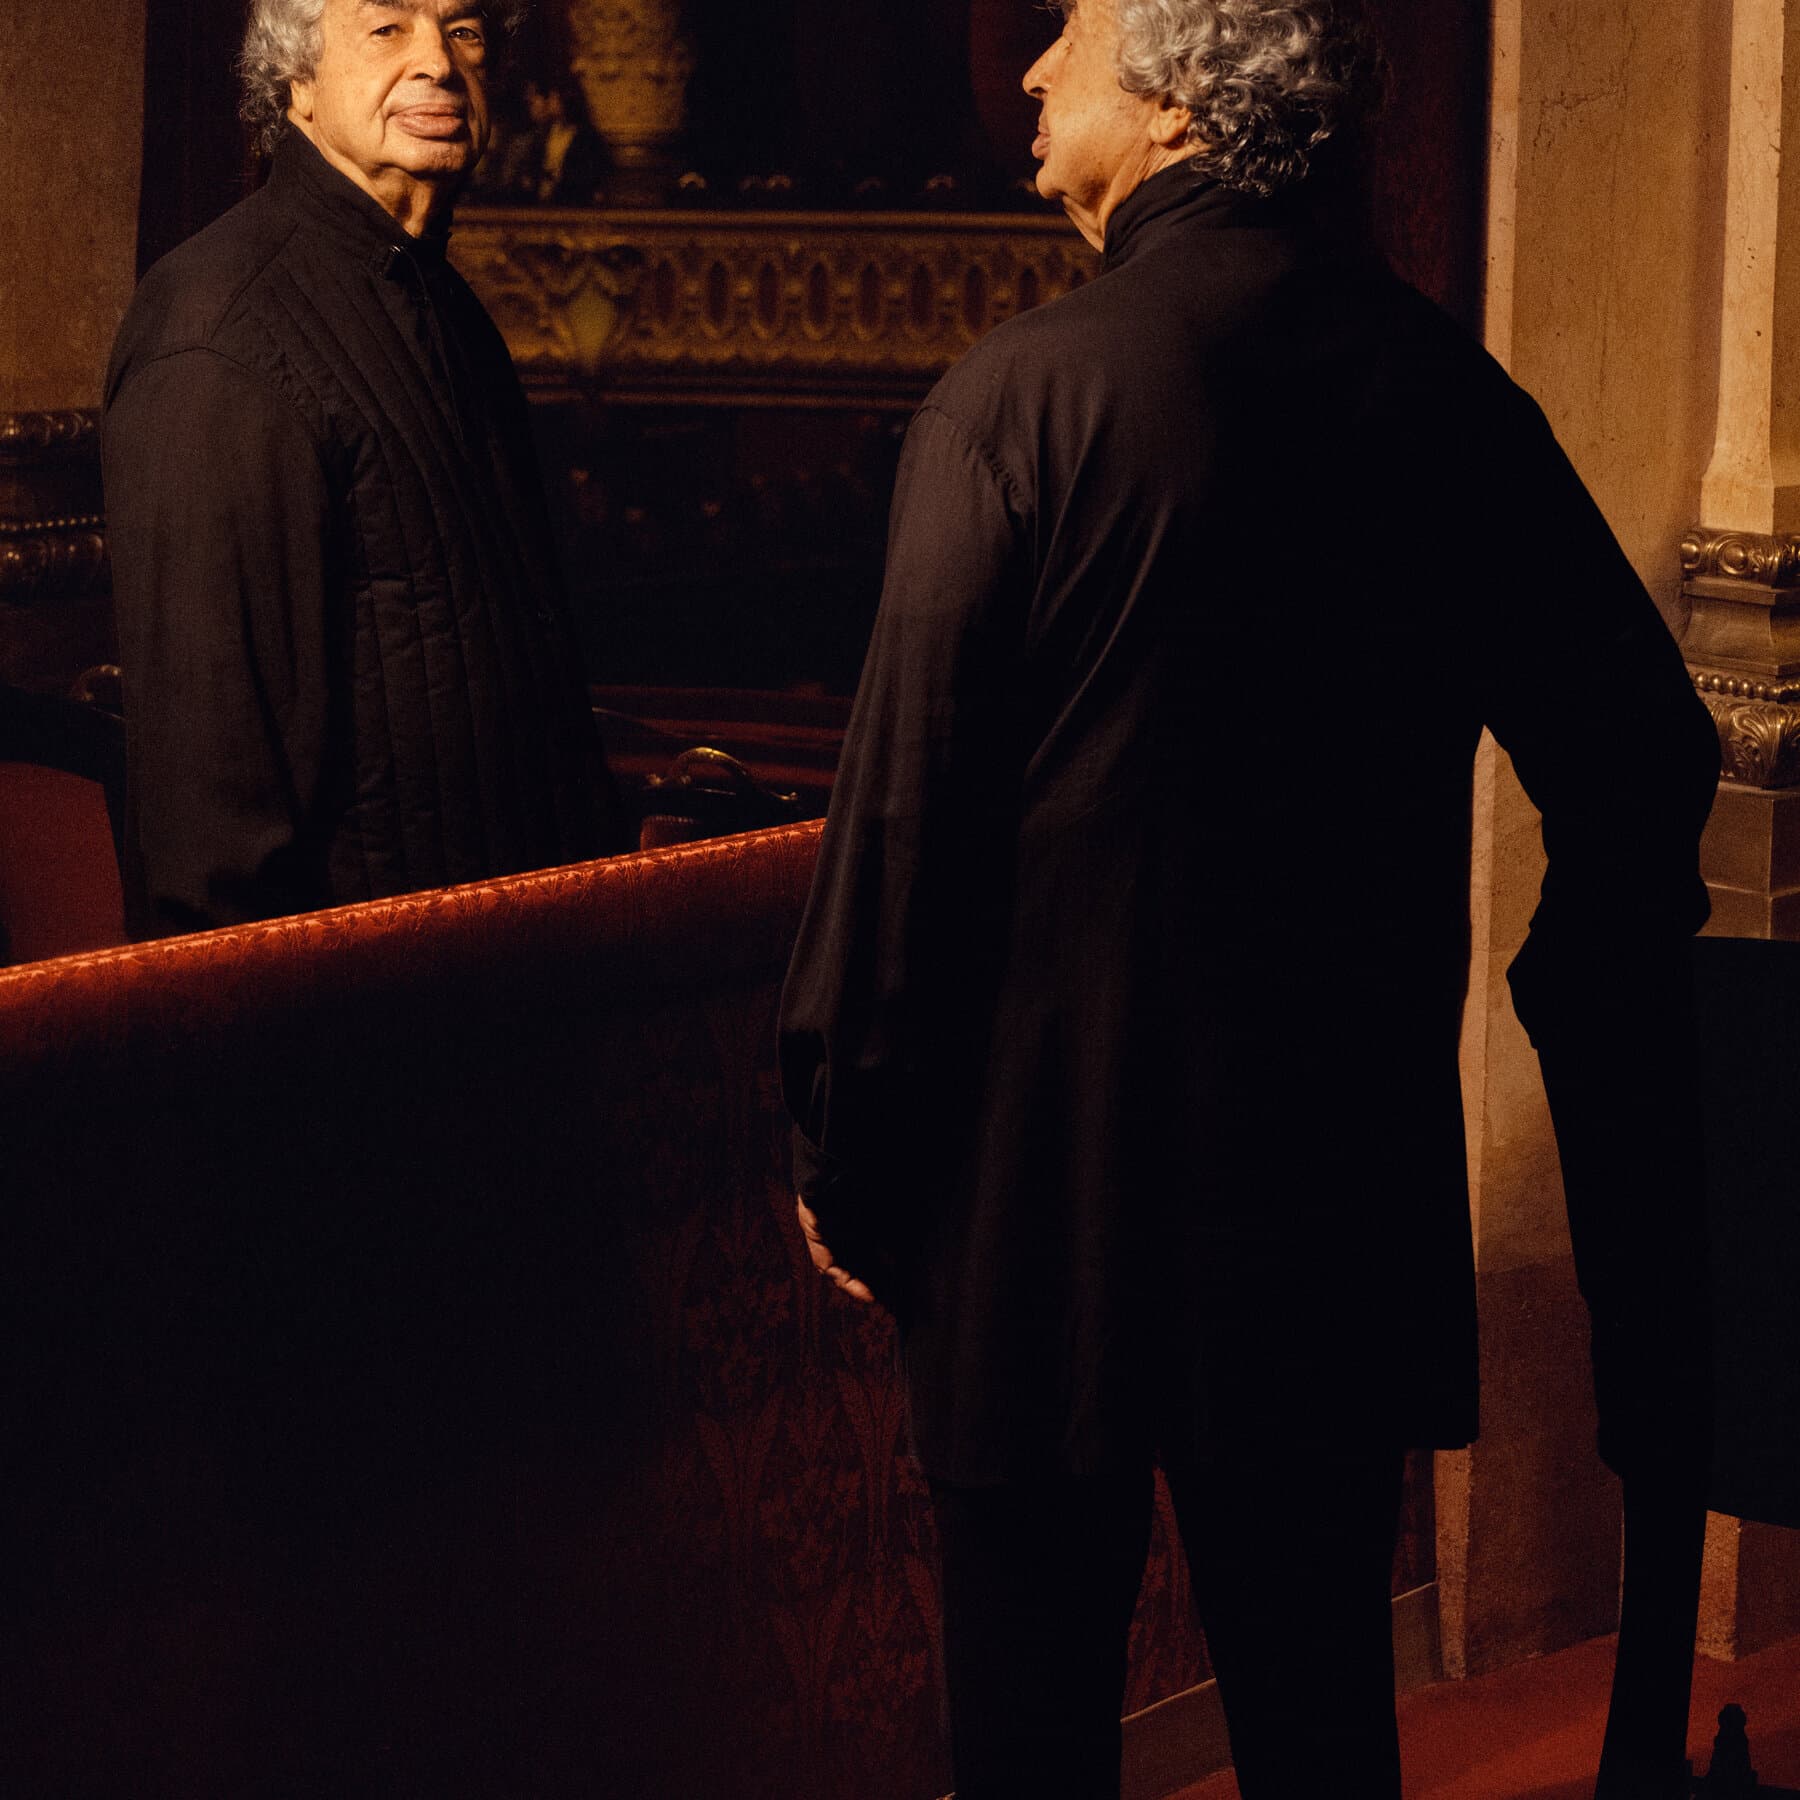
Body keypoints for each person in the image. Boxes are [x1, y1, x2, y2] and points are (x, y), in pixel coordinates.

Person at [777, 1, 1720, 1796]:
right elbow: (1646, 755)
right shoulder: (1440, 389)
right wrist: (1567, 985)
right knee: (1315, 1727)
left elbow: (902, 823)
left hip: (1042, 1199)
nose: (1038, 68)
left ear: (1181, 93)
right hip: (1325, 1186)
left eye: (1072, 31)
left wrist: (844, 1128)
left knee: (1034, 1735)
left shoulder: (1021, 396)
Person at [103, 0, 623, 939]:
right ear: (296, 84)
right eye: (388, 28)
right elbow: (208, 835)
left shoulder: (449, 310)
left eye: (462, 30)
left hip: (516, 983)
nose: (438, 61)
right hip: (360, 1030)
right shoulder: (217, 337)